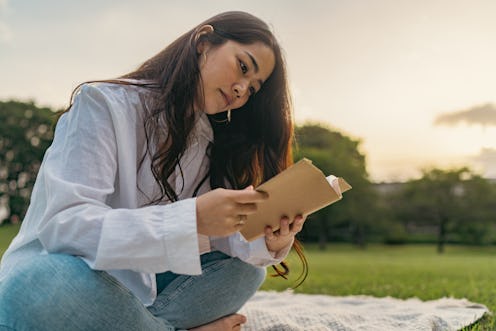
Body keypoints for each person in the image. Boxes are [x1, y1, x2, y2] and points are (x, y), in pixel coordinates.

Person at [0, 11, 307, 331]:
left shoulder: (208, 141)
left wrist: (271, 239)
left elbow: (219, 240)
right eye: (243, 67)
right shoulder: (103, 104)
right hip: (67, 278)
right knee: (34, 286)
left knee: (246, 271)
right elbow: (66, 227)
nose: (242, 89)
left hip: (137, 295)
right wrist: (193, 219)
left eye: (253, 88)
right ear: (203, 42)